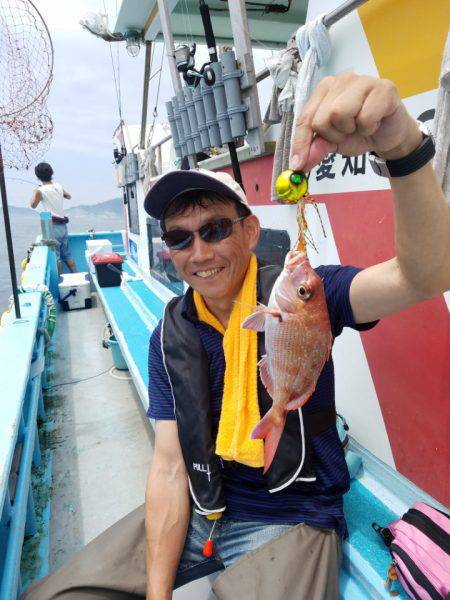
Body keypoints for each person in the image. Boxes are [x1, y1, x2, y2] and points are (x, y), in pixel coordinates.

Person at [22, 73, 450, 600]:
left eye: (215, 229)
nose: (198, 252)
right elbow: (169, 465)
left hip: (294, 514)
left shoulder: (306, 295)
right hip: (208, 506)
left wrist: (402, 147)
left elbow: (423, 275)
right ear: (167, 251)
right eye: (179, 238)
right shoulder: (168, 337)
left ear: (249, 231)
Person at [31, 162, 77, 275]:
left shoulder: (40, 191)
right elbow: (69, 196)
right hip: (63, 226)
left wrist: (35, 193)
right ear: (51, 173)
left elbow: (33, 205)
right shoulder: (58, 186)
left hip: (52, 226)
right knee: (66, 253)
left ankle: (61, 280)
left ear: (38, 176)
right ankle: (76, 274)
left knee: (56, 256)